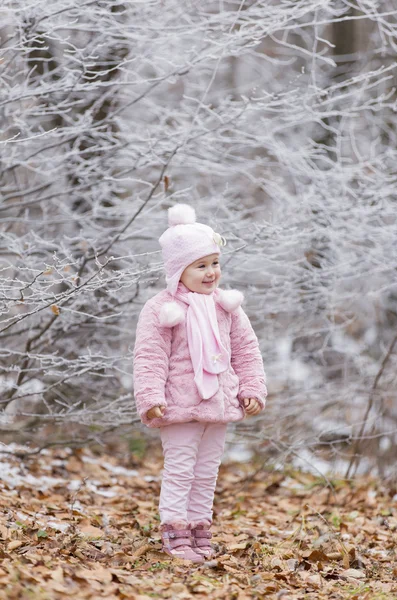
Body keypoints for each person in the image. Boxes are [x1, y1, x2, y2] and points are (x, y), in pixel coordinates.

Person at [133, 203, 267, 564]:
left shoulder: (227, 307)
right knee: (180, 469)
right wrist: (150, 396)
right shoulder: (161, 308)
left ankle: (198, 530)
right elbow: (149, 356)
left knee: (206, 472)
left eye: (215, 263)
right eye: (201, 265)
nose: (211, 273)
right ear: (179, 269)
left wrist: (251, 389)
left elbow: (246, 351)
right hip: (178, 405)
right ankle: (175, 533)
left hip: (218, 405)